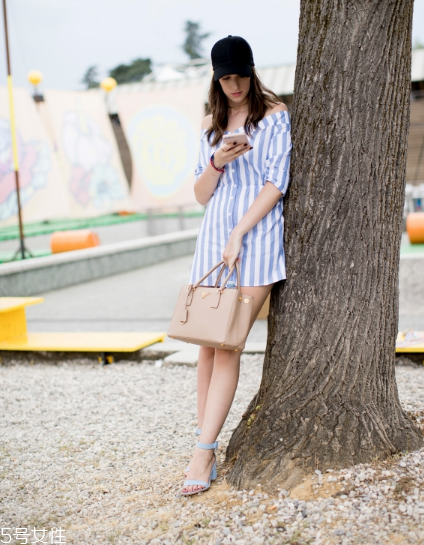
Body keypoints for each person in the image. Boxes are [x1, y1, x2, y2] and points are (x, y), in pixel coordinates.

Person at [181, 35, 292, 495]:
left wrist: (239, 232)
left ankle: (203, 453)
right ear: (216, 78)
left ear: (251, 71)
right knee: (206, 346)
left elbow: (276, 183)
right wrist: (218, 161)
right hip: (212, 241)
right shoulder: (211, 124)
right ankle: (203, 440)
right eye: (226, 78)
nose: (235, 85)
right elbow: (200, 194)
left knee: (227, 345)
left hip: (256, 240)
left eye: (241, 76)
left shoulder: (275, 116)